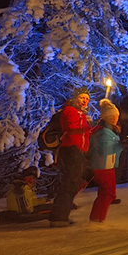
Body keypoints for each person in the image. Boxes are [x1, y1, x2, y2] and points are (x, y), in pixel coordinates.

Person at [50, 88, 92, 227]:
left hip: (77, 150)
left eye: (87, 98)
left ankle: (61, 214)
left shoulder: (80, 113)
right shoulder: (70, 111)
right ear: (75, 98)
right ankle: (59, 217)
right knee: (70, 183)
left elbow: (83, 133)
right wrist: (87, 128)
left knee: (73, 182)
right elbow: (72, 128)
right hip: (71, 149)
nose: (85, 101)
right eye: (81, 97)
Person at [87, 99, 123, 225]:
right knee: (108, 193)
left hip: (106, 165)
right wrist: (122, 145)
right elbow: (105, 150)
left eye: (116, 116)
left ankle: (97, 217)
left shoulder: (109, 130)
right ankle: (97, 218)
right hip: (103, 165)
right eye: (111, 116)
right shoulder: (104, 132)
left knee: (105, 192)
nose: (114, 119)